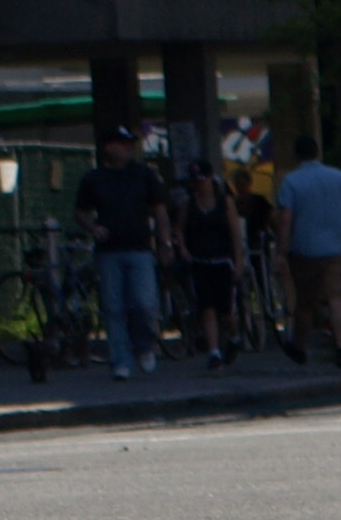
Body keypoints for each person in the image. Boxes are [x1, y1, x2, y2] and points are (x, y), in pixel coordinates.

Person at [72, 124, 167, 382]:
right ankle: (121, 360)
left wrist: (164, 241)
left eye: (129, 144)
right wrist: (93, 227)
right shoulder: (94, 178)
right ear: (109, 147)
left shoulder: (144, 175)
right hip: (109, 250)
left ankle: (145, 345)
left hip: (140, 247)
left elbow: (158, 208)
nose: (128, 149)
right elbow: (81, 211)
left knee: (144, 304)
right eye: (122, 144)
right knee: (114, 307)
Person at [274, 132, 341, 367]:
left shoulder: (291, 182)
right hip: (337, 245)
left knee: (305, 301)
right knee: (335, 297)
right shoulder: (338, 176)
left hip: (305, 248)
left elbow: (285, 218)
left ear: (296, 154)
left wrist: (282, 250)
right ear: (317, 152)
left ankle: (300, 347)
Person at [177, 162, 243, 369]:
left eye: (203, 179)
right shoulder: (189, 204)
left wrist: (238, 261)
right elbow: (178, 228)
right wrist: (183, 249)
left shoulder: (225, 202)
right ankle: (214, 352)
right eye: (196, 180)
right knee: (207, 307)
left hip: (223, 261)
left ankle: (234, 337)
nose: (200, 183)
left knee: (226, 312)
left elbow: (235, 233)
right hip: (200, 261)